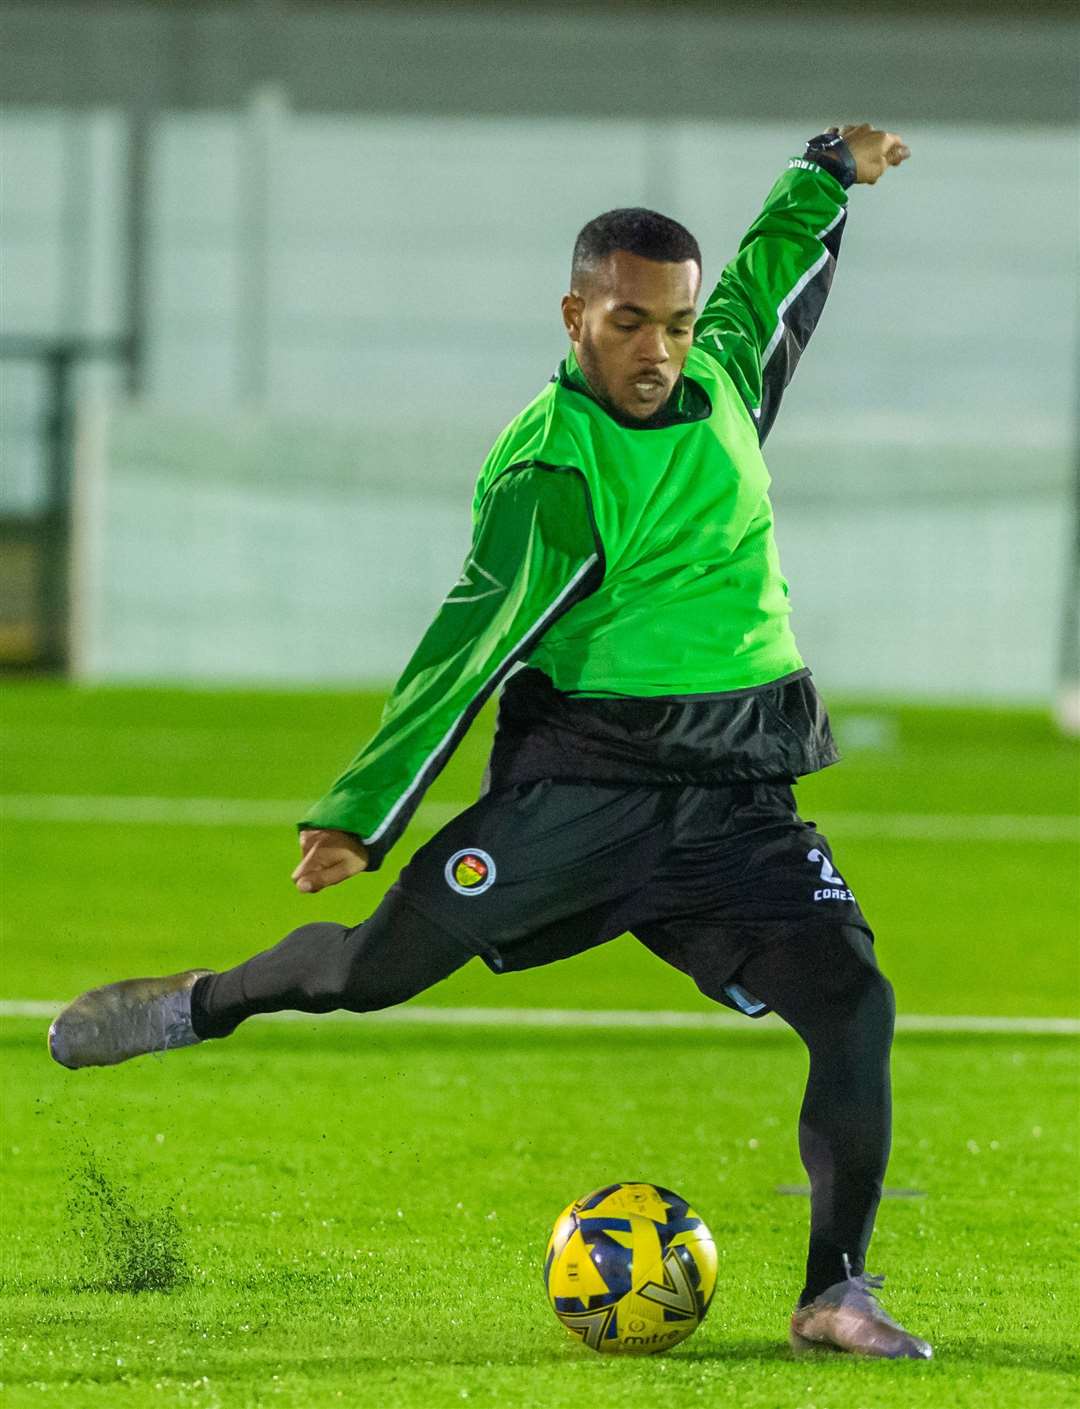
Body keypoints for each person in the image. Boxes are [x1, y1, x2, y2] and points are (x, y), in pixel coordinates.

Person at [49, 124, 930, 1359]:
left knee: (855, 1002)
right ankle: (205, 1003)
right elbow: (469, 639)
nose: (659, 348)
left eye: (673, 322)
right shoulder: (550, 473)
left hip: (736, 793)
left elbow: (772, 272)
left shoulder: (721, 375)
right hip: (584, 792)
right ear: (574, 313)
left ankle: (836, 1289)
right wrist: (365, 807)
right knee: (370, 974)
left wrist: (826, 169)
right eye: (629, 321)